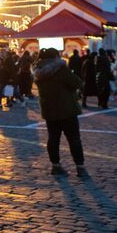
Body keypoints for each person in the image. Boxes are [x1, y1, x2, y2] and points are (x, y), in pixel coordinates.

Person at [33, 48, 88, 177]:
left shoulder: (38, 71)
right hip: (66, 109)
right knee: (74, 139)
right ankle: (80, 167)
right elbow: (77, 82)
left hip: (49, 110)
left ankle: (55, 166)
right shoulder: (60, 69)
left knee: (53, 139)